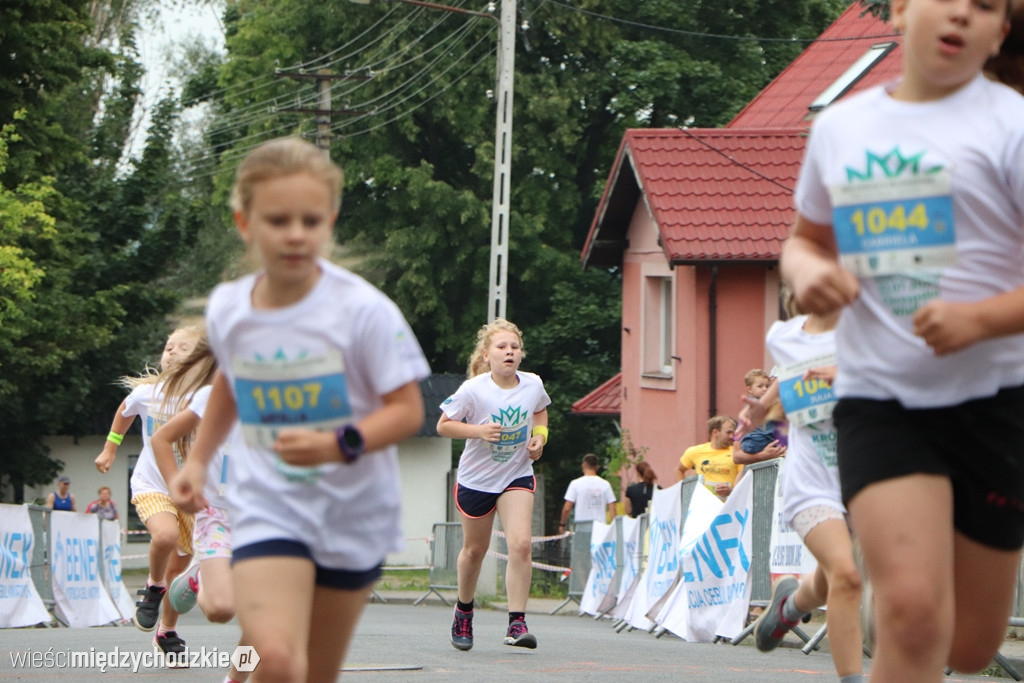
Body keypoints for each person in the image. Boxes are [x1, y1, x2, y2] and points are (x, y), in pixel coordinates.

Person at [780, 0, 1024, 679]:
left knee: (969, 647)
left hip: (997, 402)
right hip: (881, 399)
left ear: (1001, 30)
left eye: (985, 7)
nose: (961, 15)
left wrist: (980, 320)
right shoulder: (844, 129)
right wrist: (812, 274)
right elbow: (802, 243)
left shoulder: (1012, 127)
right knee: (914, 611)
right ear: (899, 10)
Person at [169, 136, 430, 683]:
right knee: (280, 660)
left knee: (314, 674)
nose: (295, 234)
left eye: (310, 221)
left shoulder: (363, 311)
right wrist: (198, 462)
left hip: (352, 515)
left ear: (330, 221)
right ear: (245, 223)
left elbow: (407, 411)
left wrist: (339, 443)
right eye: (277, 219)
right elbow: (231, 386)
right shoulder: (230, 310)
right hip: (269, 506)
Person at [742, 303, 865, 683]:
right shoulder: (789, 337)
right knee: (846, 574)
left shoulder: (876, 331)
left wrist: (848, 378)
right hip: (811, 483)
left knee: (836, 576)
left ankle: (790, 603)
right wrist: (760, 411)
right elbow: (784, 382)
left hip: (865, 479)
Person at [438, 318, 550, 652]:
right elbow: (444, 426)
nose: (509, 352)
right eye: (502, 347)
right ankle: (463, 611)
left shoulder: (532, 384)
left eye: (514, 347)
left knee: (521, 545)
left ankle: (517, 622)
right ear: (487, 355)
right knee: (475, 551)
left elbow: (541, 413)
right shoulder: (473, 390)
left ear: (520, 354)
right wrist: (478, 431)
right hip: (477, 480)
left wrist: (540, 438)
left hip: (516, 474)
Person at [93, 325, 203, 663]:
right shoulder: (148, 394)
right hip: (152, 482)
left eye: (179, 348)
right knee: (165, 536)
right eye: (167, 347)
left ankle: (166, 631)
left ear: (200, 359)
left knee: (180, 572)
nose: (169, 352)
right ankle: (153, 586)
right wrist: (111, 449)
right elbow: (124, 412)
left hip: (190, 491)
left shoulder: (207, 397)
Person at [154, 352, 251, 683]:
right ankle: (196, 577)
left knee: (266, 613)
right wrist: (176, 485)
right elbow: (161, 438)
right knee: (221, 610)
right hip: (217, 515)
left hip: (266, 520)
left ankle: (235, 679)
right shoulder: (213, 396)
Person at [675, 416, 742, 499]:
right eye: (728, 433)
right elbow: (679, 470)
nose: (732, 436)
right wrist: (685, 492)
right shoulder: (695, 451)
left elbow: (742, 476)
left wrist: (732, 490)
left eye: (733, 433)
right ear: (715, 432)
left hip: (727, 506)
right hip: (703, 505)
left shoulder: (736, 453)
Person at [733, 369, 787, 465]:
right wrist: (762, 455)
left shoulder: (794, 411)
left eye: (768, 386)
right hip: (766, 471)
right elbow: (736, 456)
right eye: (774, 385)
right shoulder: (753, 412)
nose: (765, 389)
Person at [559, 453, 617, 528]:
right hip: (600, 528)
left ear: (583, 466)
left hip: (582, 527)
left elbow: (567, 508)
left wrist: (562, 524)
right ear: (597, 467)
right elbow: (613, 508)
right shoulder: (605, 484)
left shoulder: (575, 484)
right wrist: (614, 527)